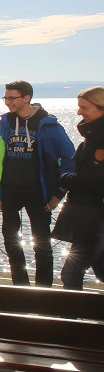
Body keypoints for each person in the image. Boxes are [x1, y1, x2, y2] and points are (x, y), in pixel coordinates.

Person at [0, 80, 75, 287]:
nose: (7, 102)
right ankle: (20, 286)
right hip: (10, 191)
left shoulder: (48, 124)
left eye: (12, 98)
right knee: (11, 241)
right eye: (5, 98)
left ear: (27, 97)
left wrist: (58, 193)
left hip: (38, 192)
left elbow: (70, 157)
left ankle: (43, 290)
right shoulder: (5, 123)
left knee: (42, 243)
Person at [57, 87, 104, 290]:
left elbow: (91, 181)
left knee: (71, 272)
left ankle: (70, 320)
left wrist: (61, 178)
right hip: (90, 216)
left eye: (84, 107)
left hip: (95, 218)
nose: (79, 112)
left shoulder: (99, 142)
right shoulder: (92, 139)